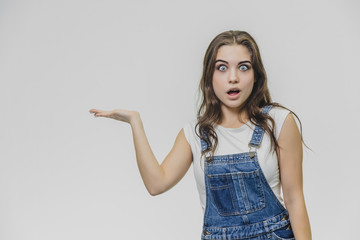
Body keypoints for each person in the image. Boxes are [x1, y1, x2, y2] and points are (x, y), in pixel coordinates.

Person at [89, 30, 312, 240]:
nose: (233, 78)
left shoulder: (279, 122)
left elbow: (294, 200)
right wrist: (134, 122)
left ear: (256, 76)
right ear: (209, 76)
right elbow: (156, 184)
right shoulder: (195, 134)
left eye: (243, 67)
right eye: (222, 68)